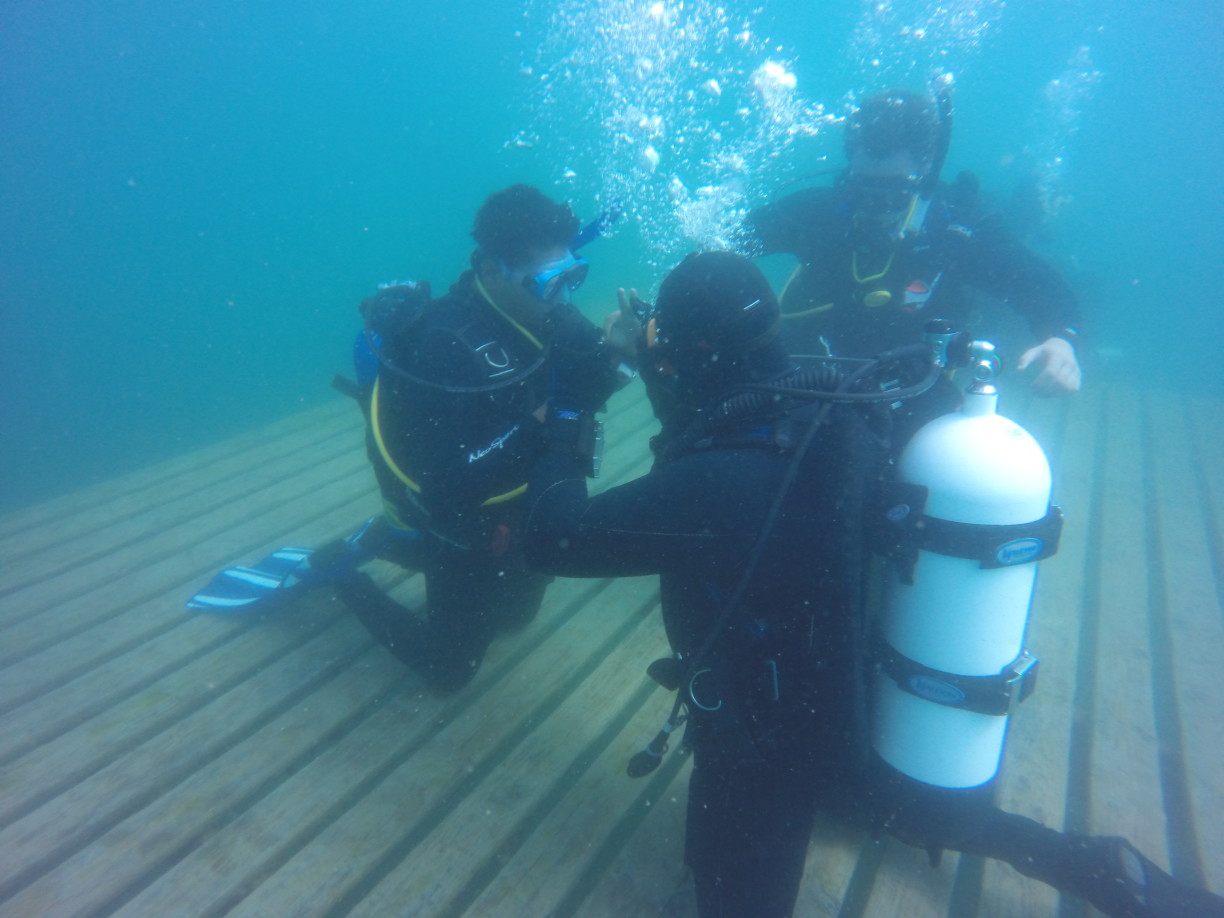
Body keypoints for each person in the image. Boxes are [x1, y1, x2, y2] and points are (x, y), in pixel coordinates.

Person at [521, 251, 1223, 918]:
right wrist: (654, 357)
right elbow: (712, 412)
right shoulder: (832, 397)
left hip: (770, 744)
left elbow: (552, 537)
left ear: (694, 350)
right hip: (869, 701)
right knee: (908, 805)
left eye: (666, 343)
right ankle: (1096, 866)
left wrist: (572, 405)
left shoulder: (716, 484)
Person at [314, 183, 626, 692]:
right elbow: (445, 489)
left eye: (573, 276)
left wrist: (622, 359)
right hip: (457, 517)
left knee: (516, 618)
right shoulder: (442, 346)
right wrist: (544, 420)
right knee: (449, 670)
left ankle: (390, 539)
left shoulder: (539, 311)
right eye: (549, 282)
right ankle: (342, 572)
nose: (564, 298)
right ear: (490, 270)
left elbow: (588, 385)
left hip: (516, 498)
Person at [737, 86, 1083, 399]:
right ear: (849, 173)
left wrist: (1060, 339)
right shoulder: (818, 212)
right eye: (862, 190)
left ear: (924, 175)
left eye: (894, 192)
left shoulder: (954, 229)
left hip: (912, 386)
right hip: (803, 375)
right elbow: (726, 248)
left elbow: (1038, 285)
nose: (875, 208)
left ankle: (1026, 208)